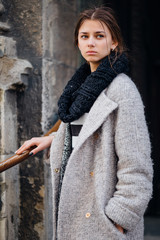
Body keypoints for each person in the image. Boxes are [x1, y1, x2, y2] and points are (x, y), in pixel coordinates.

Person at [16, 7, 153, 240]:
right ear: (77, 43)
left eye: (99, 36)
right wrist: (52, 139)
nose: (91, 42)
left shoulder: (122, 89)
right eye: (84, 36)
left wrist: (118, 220)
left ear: (114, 43)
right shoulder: (79, 88)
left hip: (102, 221)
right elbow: (87, 133)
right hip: (77, 212)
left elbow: (137, 167)